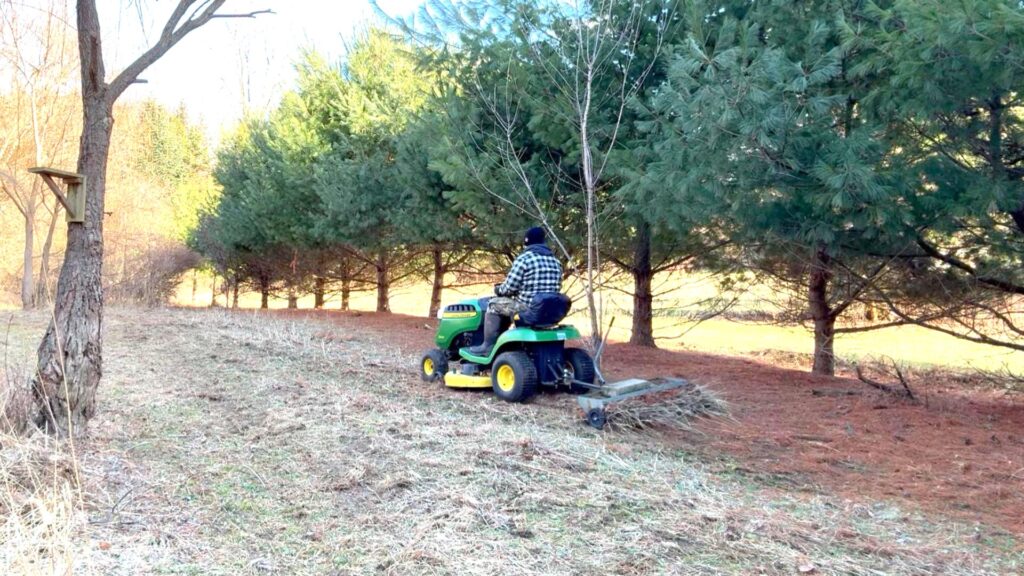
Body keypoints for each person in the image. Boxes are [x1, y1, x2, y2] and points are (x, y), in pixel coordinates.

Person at [467, 226, 563, 356]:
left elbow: (508, 288)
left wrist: (498, 289)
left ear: (527, 242)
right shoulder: (556, 262)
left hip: (527, 309)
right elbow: (557, 287)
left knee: (494, 304)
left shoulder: (524, 259)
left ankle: (487, 346)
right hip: (549, 311)